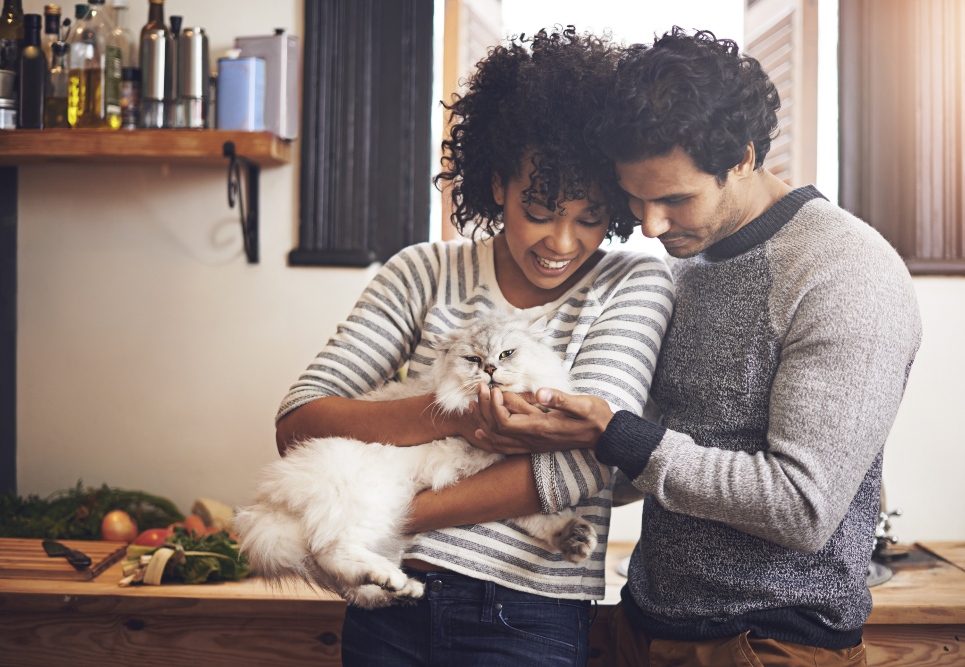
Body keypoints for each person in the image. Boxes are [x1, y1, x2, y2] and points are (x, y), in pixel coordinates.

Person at [471, 27, 923, 667]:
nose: (651, 226)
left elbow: (802, 507)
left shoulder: (847, 271)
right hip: (644, 624)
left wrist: (616, 434)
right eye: (635, 198)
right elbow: (669, 457)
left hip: (770, 644)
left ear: (741, 156)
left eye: (674, 199)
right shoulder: (683, 265)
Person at [274, 28, 674, 667]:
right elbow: (299, 423)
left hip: (525, 612)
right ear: (496, 185)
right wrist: (455, 415)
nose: (562, 242)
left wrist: (381, 520)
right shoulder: (421, 272)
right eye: (538, 209)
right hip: (389, 603)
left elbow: (593, 458)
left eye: (590, 217)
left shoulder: (633, 283)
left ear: (619, 210)